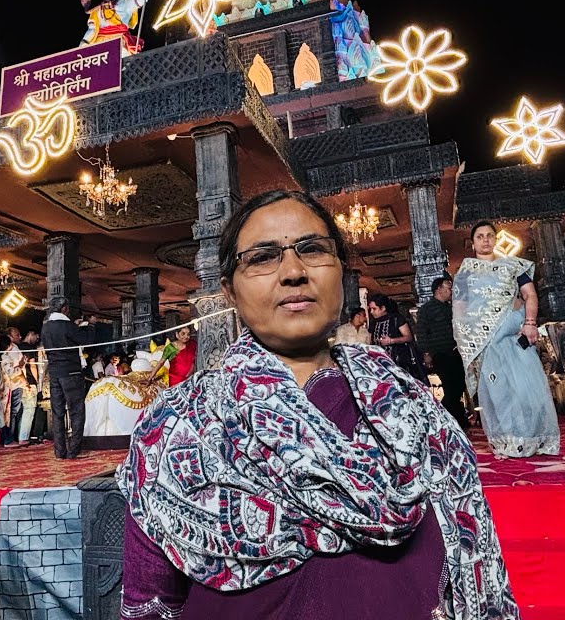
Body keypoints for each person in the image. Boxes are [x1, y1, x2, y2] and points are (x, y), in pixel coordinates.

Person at [119, 190, 518, 619]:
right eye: (261, 257)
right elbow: (150, 603)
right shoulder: (175, 426)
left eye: (312, 249)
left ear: (341, 272)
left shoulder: (413, 409)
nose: (293, 271)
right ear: (229, 292)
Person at [453, 221, 561, 458]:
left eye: (490, 235)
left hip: (514, 335)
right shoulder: (465, 274)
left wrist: (530, 323)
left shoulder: (514, 266)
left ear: (495, 239)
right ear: (473, 243)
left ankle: (535, 439)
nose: (485, 240)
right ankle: (508, 442)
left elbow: (529, 294)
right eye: (480, 236)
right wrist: (468, 341)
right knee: (498, 392)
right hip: (485, 341)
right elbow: (460, 311)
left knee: (526, 388)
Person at [416, 277, 471, 429]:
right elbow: (421, 332)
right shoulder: (426, 309)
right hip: (439, 352)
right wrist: (426, 353)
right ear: (438, 289)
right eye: (448, 287)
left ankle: (454, 417)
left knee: (459, 384)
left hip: (456, 352)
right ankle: (450, 419)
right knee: (449, 386)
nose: (451, 291)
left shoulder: (450, 308)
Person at [42, 302, 86, 459]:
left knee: (57, 412)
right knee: (77, 411)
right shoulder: (68, 326)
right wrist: (89, 326)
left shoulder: (45, 327)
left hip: (54, 373)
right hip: (71, 372)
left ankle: (59, 451)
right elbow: (86, 339)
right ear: (65, 309)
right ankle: (74, 450)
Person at [367, 293, 428, 382]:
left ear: (383, 308)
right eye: (370, 309)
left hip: (400, 362)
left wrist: (391, 341)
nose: (371, 312)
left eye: (374, 309)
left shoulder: (396, 319)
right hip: (380, 364)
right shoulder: (373, 323)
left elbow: (408, 337)